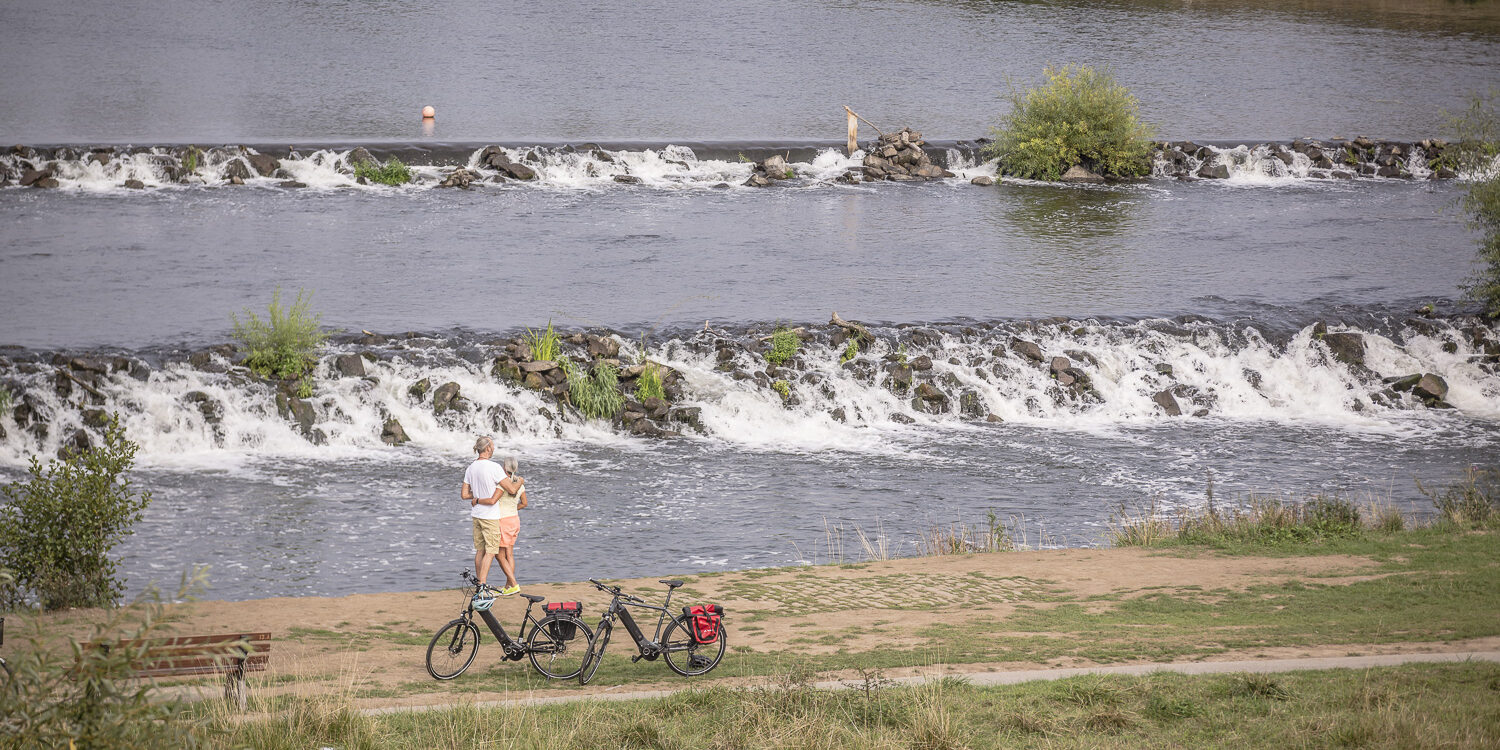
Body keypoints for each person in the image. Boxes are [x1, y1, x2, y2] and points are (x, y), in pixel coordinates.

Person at [461, 436, 527, 595]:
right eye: (493, 446)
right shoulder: (494, 467)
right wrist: (521, 481)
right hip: (490, 517)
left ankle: (479, 585)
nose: (494, 448)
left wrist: (477, 497)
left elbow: (464, 494)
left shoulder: (471, 468)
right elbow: (511, 490)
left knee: (480, 551)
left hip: (476, 515)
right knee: (491, 551)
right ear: (488, 448)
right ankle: (482, 587)